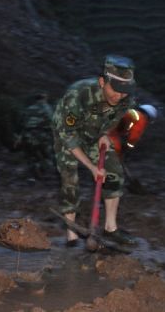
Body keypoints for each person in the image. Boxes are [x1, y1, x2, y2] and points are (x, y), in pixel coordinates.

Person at [52, 54, 138, 247]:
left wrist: (104, 134)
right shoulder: (78, 95)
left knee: (114, 171)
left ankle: (110, 228)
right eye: (115, 89)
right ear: (102, 81)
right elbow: (69, 136)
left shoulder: (125, 97)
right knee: (69, 179)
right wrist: (91, 167)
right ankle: (72, 234)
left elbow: (114, 118)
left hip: (94, 132)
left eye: (124, 91)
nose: (120, 95)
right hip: (67, 133)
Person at [14, 93, 55, 179]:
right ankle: (43, 172)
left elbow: (21, 122)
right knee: (47, 154)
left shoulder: (29, 109)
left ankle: (34, 173)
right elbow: (52, 122)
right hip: (43, 134)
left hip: (29, 134)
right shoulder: (47, 108)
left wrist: (20, 136)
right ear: (44, 98)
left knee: (32, 155)